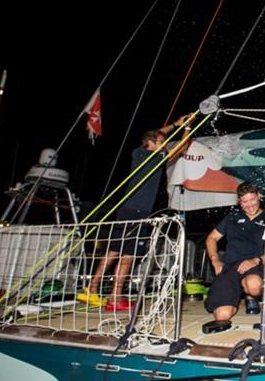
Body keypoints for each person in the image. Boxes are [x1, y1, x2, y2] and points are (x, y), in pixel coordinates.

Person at [77, 116, 188, 311]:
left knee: (113, 251)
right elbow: (181, 149)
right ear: (151, 143)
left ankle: (93, 290)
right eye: (161, 143)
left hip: (127, 210)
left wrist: (175, 125)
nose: (164, 145)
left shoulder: (138, 152)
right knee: (127, 256)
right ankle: (114, 297)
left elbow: (158, 133)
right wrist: (186, 129)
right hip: (138, 212)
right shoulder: (155, 157)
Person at [202, 182, 265, 327]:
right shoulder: (232, 217)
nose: (250, 205)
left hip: (254, 266)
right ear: (239, 202)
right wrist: (215, 261)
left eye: (253, 200)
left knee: (254, 285)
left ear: (258, 197)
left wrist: (256, 261)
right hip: (230, 266)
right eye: (245, 201)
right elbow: (211, 238)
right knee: (222, 317)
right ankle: (220, 293)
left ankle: (251, 297)